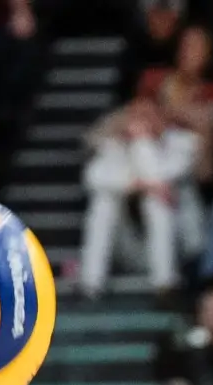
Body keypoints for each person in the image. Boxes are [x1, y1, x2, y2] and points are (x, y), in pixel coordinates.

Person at [80, 87, 198, 295]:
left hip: (179, 246)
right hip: (129, 247)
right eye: (137, 116)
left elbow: (165, 175)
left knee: (157, 203)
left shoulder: (183, 142)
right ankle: (91, 284)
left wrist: (143, 144)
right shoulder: (116, 145)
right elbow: (92, 178)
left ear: (161, 117)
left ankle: (165, 284)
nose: (143, 122)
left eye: (148, 115)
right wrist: (137, 184)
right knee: (104, 203)